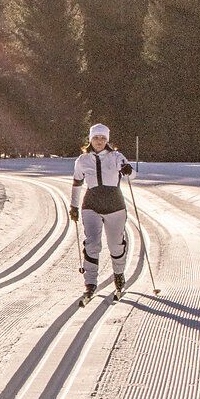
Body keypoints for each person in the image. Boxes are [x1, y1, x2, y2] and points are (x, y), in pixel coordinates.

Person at [70, 122, 135, 301]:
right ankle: (90, 283)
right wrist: (73, 206)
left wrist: (128, 169)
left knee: (115, 244)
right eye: (96, 138)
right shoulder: (82, 160)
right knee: (92, 244)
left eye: (103, 138)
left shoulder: (116, 156)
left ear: (107, 140)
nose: (99, 141)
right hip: (91, 204)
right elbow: (77, 183)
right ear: (90, 139)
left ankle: (119, 275)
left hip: (115, 204)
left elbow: (132, 174)